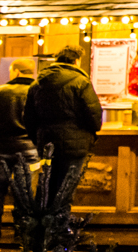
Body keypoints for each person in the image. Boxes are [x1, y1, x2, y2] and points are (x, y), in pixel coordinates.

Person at [25, 47, 104, 213]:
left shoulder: (37, 83)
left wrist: (38, 138)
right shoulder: (81, 81)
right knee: (66, 185)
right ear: (76, 61)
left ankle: (42, 227)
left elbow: (29, 118)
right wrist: (91, 133)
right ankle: (61, 227)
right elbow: (94, 113)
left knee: (46, 183)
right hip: (75, 143)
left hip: (46, 142)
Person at [0, 59, 37, 241]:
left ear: (16, 72)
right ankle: (21, 231)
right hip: (29, 148)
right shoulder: (39, 93)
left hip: (1, 146)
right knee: (24, 191)